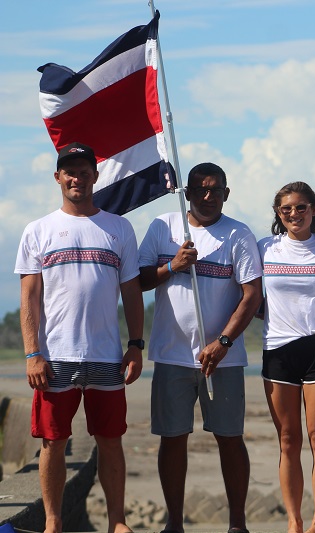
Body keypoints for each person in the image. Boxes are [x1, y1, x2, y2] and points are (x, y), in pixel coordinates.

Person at [15, 142, 144, 533]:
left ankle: (117, 521)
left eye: (84, 171)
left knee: (110, 440)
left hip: (106, 355)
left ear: (95, 176)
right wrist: (32, 353)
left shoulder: (118, 227)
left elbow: (132, 292)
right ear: (58, 177)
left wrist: (135, 345)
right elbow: (30, 298)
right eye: (69, 171)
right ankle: (53, 521)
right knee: (53, 442)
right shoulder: (38, 230)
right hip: (56, 357)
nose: (77, 177)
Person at [138, 162, 262, 533]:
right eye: (201, 189)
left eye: (216, 190)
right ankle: (174, 524)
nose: (209, 196)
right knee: (173, 438)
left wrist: (223, 342)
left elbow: (251, 295)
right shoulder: (163, 226)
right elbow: (140, 280)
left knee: (229, 438)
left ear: (227, 193)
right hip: (171, 355)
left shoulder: (238, 234)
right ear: (187, 192)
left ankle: (237, 525)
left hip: (222, 360)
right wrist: (172, 266)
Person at [259, 182, 315, 533]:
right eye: (286, 209)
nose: (294, 214)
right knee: (288, 440)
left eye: (301, 207)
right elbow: (247, 294)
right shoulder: (265, 248)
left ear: (314, 210)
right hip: (278, 350)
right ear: (278, 214)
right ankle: (294, 521)